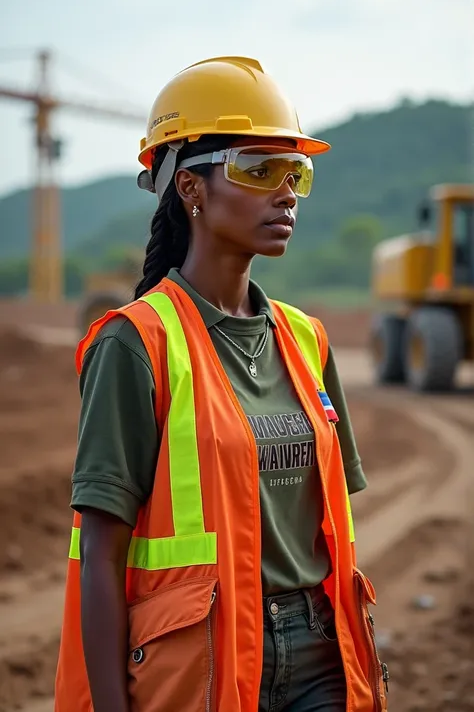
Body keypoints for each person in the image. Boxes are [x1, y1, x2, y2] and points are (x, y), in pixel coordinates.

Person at [55, 56, 388, 712]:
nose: (285, 191)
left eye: (295, 172)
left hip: (324, 652)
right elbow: (100, 554)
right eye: (258, 170)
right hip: (205, 659)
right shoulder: (136, 342)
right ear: (191, 188)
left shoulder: (307, 341)